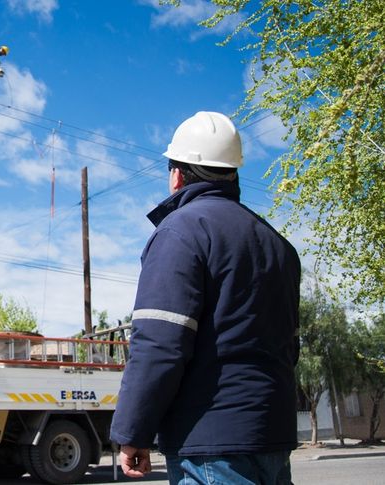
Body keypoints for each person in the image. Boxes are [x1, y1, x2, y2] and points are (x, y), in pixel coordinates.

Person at [110, 111, 300, 484]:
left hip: (211, 445)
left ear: (177, 174)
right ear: (234, 173)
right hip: (272, 437)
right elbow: (289, 348)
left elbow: (161, 343)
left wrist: (133, 432)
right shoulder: (279, 246)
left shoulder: (181, 231)